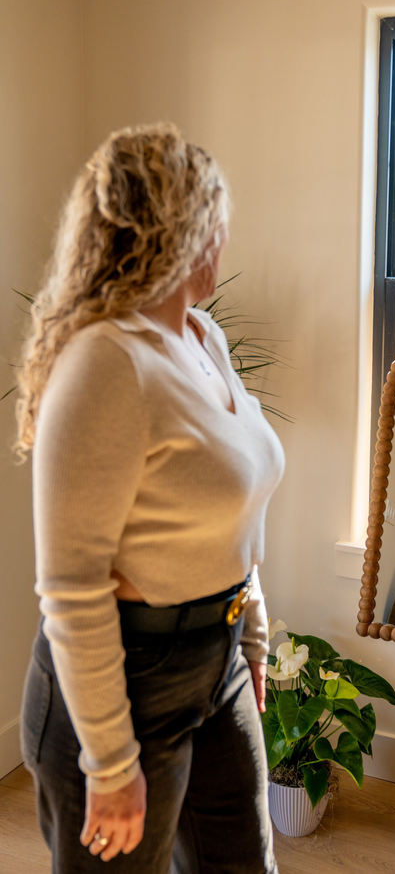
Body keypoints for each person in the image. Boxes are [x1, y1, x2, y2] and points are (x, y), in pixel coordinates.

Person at [15, 124, 285, 873]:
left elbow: (236, 508)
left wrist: (251, 633)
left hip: (218, 664)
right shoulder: (105, 363)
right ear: (183, 229)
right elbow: (71, 586)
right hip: (125, 683)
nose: (226, 240)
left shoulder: (204, 339)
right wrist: (109, 764)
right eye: (217, 222)